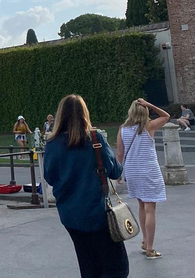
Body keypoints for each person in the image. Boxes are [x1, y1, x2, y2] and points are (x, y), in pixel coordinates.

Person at [44, 94, 128, 278]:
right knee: (116, 267)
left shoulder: (52, 143)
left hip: (70, 214)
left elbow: (49, 177)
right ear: (85, 113)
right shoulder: (94, 138)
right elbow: (114, 172)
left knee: (88, 265)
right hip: (97, 212)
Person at [118, 98, 169, 260]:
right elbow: (166, 116)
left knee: (141, 205)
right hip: (148, 170)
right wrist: (150, 105)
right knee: (150, 208)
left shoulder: (123, 129)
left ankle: (145, 241)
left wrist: (119, 172)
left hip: (132, 171)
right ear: (144, 112)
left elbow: (119, 154)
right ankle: (150, 248)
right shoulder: (149, 126)